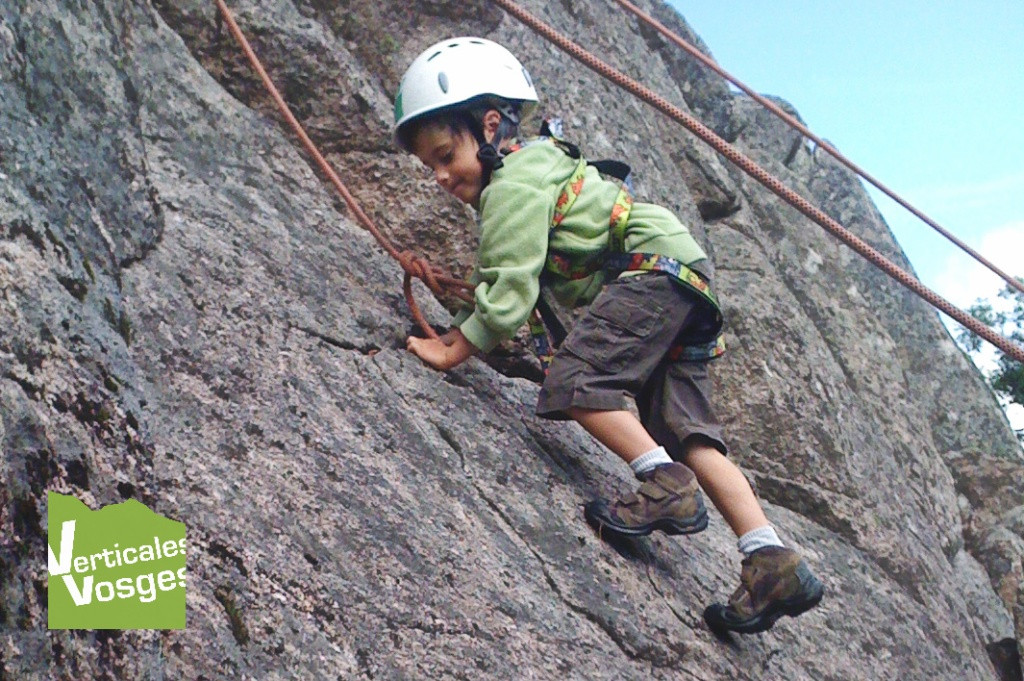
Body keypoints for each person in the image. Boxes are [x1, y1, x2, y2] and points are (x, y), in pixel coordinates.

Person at [394, 36, 823, 634]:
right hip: (678, 274)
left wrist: (450, 347)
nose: (440, 176)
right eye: (430, 167)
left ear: (490, 125)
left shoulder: (512, 182)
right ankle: (771, 556)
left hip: (647, 273)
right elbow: (505, 275)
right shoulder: (537, 166)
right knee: (686, 431)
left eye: (446, 155)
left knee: (576, 380)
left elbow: (509, 290)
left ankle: (663, 483)